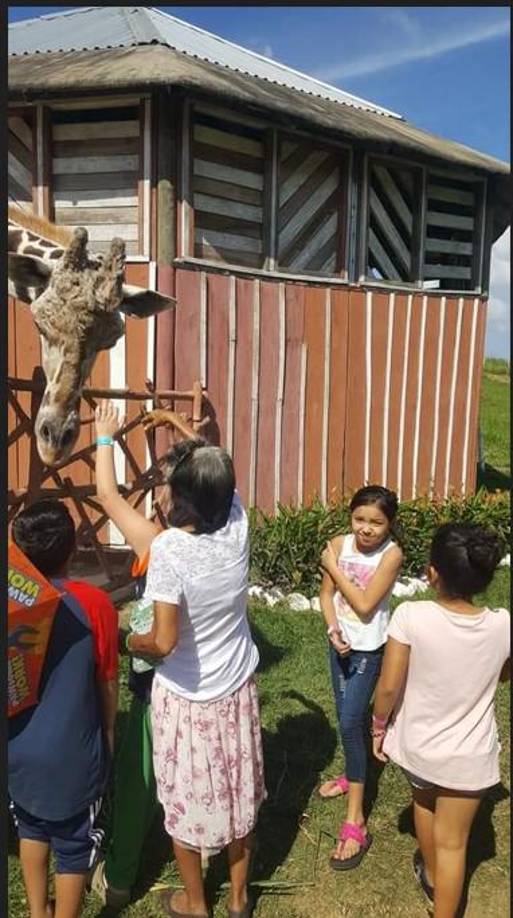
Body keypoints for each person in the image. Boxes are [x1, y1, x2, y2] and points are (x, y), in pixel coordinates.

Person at [126, 437, 266, 918]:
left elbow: (164, 642)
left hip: (188, 699)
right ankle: (240, 898)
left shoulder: (170, 549)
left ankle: (196, 901)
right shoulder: (237, 521)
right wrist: (193, 434)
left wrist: (131, 639)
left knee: (184, 801)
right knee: (239, 792)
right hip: (237, 687)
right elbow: (217, 470)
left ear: (182, 496)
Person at [372, 523, 510, 918]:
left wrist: (378, 727)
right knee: (455, 844)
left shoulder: (411, 616)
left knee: (424, 804)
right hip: (469, 757)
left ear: (432, 573)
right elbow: (504, 672)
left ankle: (431, 876)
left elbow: (388, 688)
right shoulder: (503, 623)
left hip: (418, 747)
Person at [8, 499, 118, 918]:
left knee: (31, 827)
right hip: (73, 755)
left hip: (19, 749)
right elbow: (107, 681)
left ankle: (39, 912)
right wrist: (108, 734)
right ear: (73, 551)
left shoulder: (10, 603)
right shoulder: (95, 604)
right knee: (73, 844)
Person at [89, 399, 163, 909]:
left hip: (156, 683)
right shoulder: (228, 539)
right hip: (206, 683)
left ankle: (118, 879)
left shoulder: (160, 543)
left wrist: (104, 438)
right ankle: (200, 850)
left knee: (138, 782)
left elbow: (107, 493)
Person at [318, 485, 403, 870]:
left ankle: (356, 820)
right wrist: (332, 630)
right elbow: (326, 596)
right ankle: (352, 773)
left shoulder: (392, 555)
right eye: (360, 520)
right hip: (339, 646)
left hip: (368, 649)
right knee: (346, 721)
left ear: (390, 524)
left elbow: (367, 607)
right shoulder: (340, 542)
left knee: (353, 721)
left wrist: (333, 566)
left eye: (376, 522)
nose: (366, 529)